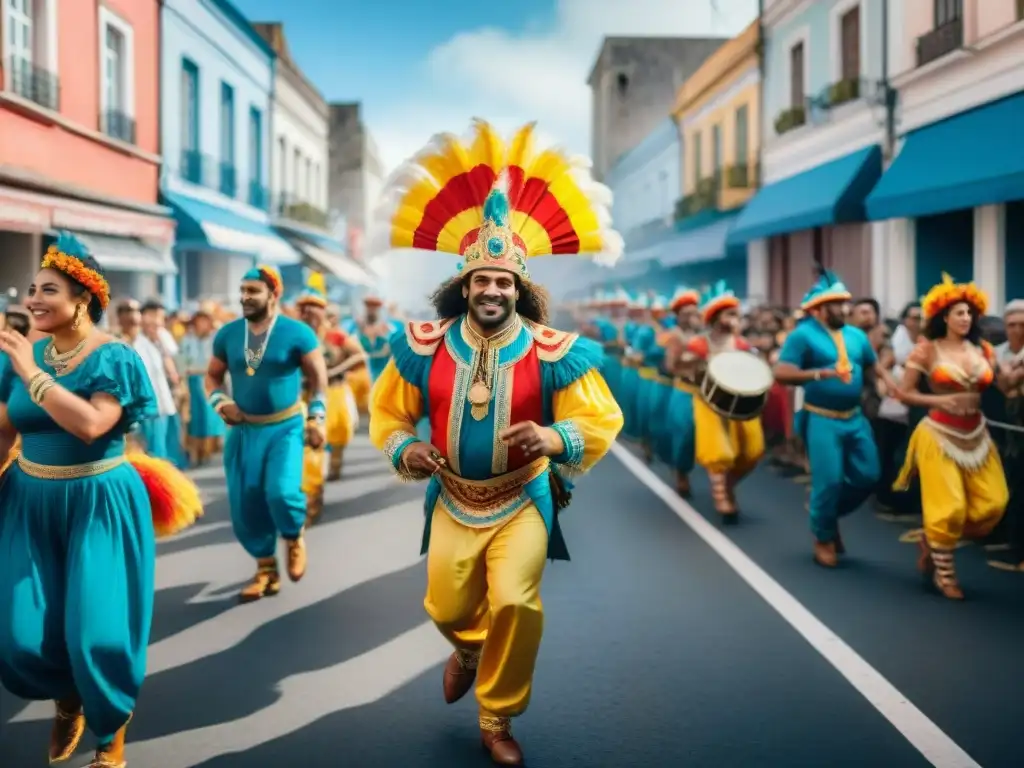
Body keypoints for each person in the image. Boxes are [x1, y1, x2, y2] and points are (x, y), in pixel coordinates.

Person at [368, 118, 624, 766]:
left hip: (522, 499)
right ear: (464, 284)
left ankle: (496, 714)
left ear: (520, 288)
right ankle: (467, 646)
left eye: (503, 282)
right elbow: (388, 414)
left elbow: (600, 418)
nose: (491, 290)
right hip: (453, 497)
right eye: (481, 280)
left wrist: (553, 436)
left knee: (516, 599)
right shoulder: (422, 346)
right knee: (446, 603)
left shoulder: (554, 350)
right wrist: (405, 448)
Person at [0, 233, 199, 767]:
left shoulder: (115, 357)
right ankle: (69, 697)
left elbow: (92, 425)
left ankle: (109, 734)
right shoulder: (23, 354)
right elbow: (3, 427)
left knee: (98, 627)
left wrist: (31, 372)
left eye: (48, 290)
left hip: (98, 501)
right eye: (31, 289)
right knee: (19, 633)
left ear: (82, 298)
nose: (33, 300)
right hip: (28, 499)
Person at [204, 265, 329, 603]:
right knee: (246, 505)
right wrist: (220, 403)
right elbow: (212, 376)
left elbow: (319, 381)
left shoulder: (299, 333)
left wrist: (317, 419)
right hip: (244, 432)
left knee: (280, 492)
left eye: (253, 291)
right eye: (242, 290)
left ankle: (293, 534)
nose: (245, 297)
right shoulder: (228, 334)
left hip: (286, 428)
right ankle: (265, 571)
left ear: (274, 295)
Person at [895, 273, 1007, 599]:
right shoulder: (927, 349)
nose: (965, 318)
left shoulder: (984, 350)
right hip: (939, 435)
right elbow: (905, 393)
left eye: (969, 313)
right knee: (951, 508)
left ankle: (932, 540)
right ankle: (945, 575)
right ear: (944, 316)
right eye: (958, 312)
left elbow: (1005, 384)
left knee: (993, 505)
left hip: (977, 434)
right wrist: (940, 399)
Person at [773, 270, 884, 567]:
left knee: (869, 475)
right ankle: (823, 536)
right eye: (837, 304)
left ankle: (825, 511)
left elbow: (872, 367)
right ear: (820, 309)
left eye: (845, 303)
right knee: (830, 481)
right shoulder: (802, 335)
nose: (845, 309)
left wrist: (887, 387)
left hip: (855, 418)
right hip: (821, 419)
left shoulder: (857, 335)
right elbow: (781, 373)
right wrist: (820, 373)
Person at [685, 281, 765, 521]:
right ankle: (721, 496)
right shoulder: (699, 343)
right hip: (709, 402)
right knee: (719, 452)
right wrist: (698, 363)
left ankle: (728, 486)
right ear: (717, 317)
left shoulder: (741, 344)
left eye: (737, 315)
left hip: (740, 403)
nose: (735, 319)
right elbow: (683, 367)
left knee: (753, 450)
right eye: (731, 314)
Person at [662, 286, 702, 496]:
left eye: (694, 313)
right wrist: (691, 360)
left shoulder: (703, 334)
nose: (691, 317)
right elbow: (670, 365)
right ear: (678, 316)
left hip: (703, 392)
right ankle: (681, 472)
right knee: (685, 433)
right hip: (684, 391)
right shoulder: (675, 336)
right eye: (686, 314)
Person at [178, 309, 226, 466]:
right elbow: (181, 361)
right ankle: (195, 451)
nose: (201, 324)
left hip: (208, 378)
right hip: (191, 379)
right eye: (198, 321)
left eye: (204, 320)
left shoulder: (214, 338)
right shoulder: (187, 339)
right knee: (194, 417)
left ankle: (209, 449)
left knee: (209, 415)